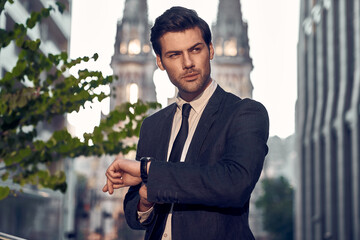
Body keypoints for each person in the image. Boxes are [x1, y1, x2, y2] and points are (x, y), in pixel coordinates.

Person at [103, 6, 269, 240]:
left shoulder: (245, 113)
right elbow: (134, 216)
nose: (188, 62)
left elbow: (234, 184)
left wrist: (147, 170)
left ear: (211, 50)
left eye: (196, 49)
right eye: (174, 55)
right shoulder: (152, 125)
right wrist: (145, 200)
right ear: (159, 62)